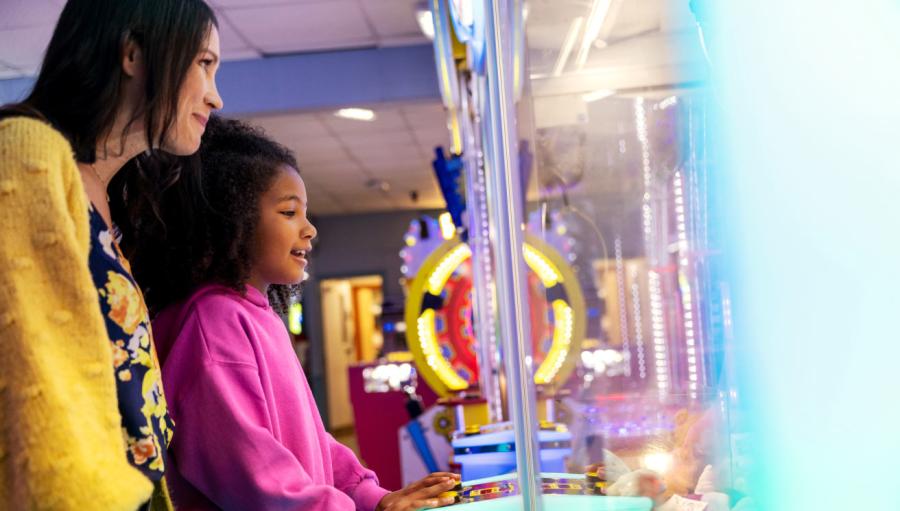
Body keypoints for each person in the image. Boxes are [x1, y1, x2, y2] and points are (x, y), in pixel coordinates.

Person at [122, 116, 458, 510]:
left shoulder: (254, 315)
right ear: (232, 220)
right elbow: (257, 478)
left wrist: (372, 497)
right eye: (288, 213)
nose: (309, 229)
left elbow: (312, 442)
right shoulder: (213, 322)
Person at [0, 0, 223, 509]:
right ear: (132, 54)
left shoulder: (107, 198)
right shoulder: (27, 152)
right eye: (205, 64)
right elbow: (39, 390)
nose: (215, 96)